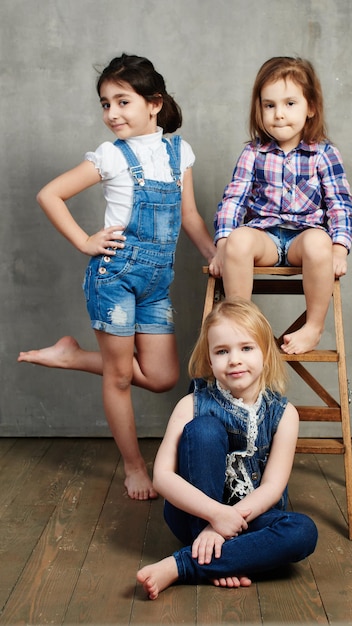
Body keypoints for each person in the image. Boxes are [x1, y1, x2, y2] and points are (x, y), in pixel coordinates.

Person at [18, 54, 216, 501]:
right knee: (121, 377)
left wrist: (213, 253)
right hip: (115, 278)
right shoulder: (110, 155)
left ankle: (70, 356)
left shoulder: (178, 151)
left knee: (163, 375)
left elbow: (189, 216)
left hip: (156, 284)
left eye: (122, 102)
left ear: (154, 103)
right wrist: (84, 241)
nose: (112, 114)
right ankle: (133, 467)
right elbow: (50, 194)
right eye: (105, 104)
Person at [137, 297, 318, 600]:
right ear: (209, 360)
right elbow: (162, 477)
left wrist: (223, 527)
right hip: (194, 514)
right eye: (222, 351)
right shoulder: (191, 405)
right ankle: (222, 556)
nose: (234, 359)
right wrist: (213, 517)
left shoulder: (284, 414)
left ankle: (186, 564)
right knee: (205, 430)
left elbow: (273, 487)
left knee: (303, 531)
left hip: (251, 517)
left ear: (265, 353)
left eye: (246, 348)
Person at [209, 57, 352, 355]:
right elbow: (234, 199)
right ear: (259, 109)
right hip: (264, 237)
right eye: (269, 105)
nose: (279, 114)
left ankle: (313, 327)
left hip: (303, 240)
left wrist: (339, 249)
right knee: (237, 240)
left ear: (310, 107)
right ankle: (242, 328)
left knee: (320, 241)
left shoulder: (323, 153)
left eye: (290, 104)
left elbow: (340, 204)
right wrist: (223, 245)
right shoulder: (253, 152)